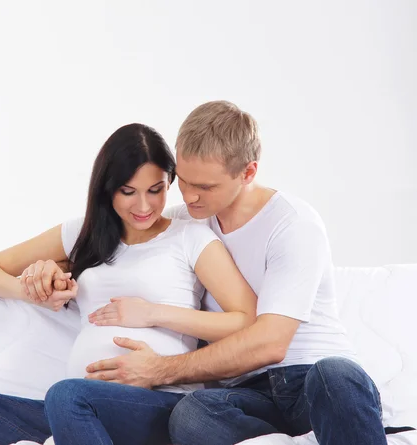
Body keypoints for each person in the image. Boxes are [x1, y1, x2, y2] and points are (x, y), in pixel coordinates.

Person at [0, 123, 257, 445]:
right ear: (107, 189)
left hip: (157, 402)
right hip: (80, 409)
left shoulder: (189, 237)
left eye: (156, 190)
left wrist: (154, 313)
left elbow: (246, 319)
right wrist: (34, 293)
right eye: (128, 191)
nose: (144, 205)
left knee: (65, 395)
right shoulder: (83, 234)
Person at [82, 101, 389, 445]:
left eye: (207, 187)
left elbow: (270, 344)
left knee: (335, 374)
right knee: (191, 415)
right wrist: (50, 272)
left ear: (248, 173)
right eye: (183, 181)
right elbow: (113, 247)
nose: (191, 196)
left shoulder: (292, 224)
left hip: (311, 382)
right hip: (245, 393)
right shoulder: (182, 222)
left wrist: (160, 368)